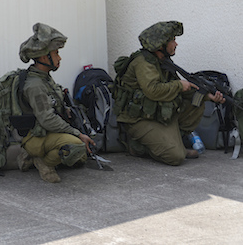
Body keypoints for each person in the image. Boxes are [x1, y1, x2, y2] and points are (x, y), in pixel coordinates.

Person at [114, 21, 224, 165]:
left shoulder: (162, 61)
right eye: (172, 40)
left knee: (197, 101)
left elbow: (182, 89)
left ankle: (172, 141)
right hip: (138, 120)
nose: (176, 44)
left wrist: (208, 96)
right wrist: (178, 85)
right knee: (176, 157)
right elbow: (153, 90)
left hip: (158, 114)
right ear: (160, 45)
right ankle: (138, 147)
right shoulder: (143, 63)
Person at [15, 23, 95, 183]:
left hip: (46, 132)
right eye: (56, 53)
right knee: (76, 146)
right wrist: (76, 133)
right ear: (45, 57)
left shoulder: (44, 77)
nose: (59, 58)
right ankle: (41, 161)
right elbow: (47, 119)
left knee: (81, 157)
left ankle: (37, 155)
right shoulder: (35, 85)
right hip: (35, 136)